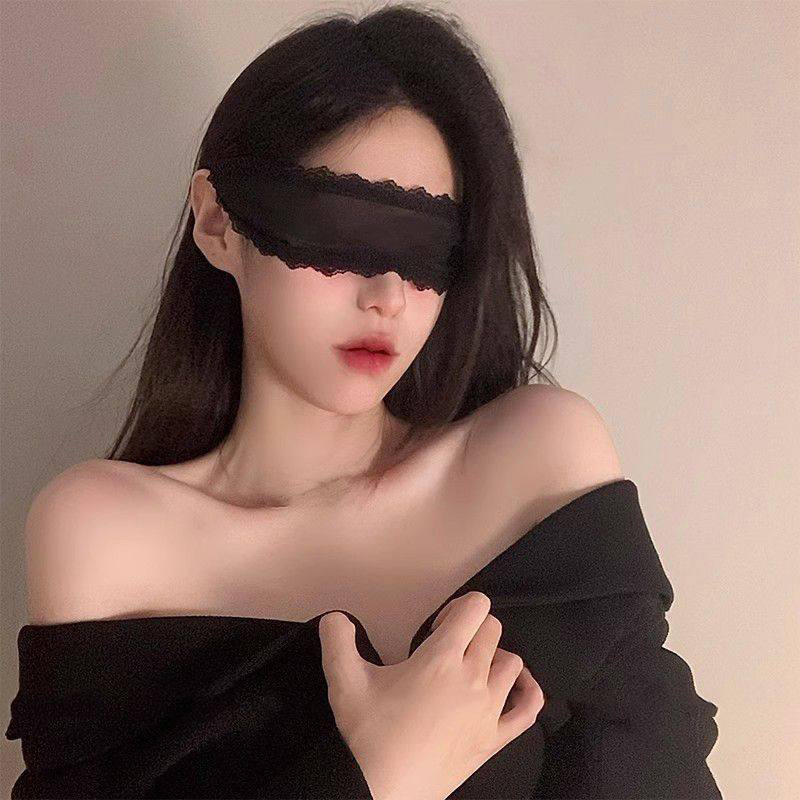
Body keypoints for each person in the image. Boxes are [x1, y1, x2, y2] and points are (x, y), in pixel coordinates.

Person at [5, 5, 722, 799]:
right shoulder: (106, 535)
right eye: (340, 230)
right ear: (217, 222)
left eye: (428, 248)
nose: (387, 295)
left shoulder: (533, 463)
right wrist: (384, 777)